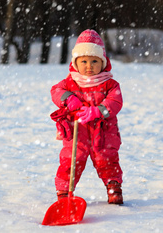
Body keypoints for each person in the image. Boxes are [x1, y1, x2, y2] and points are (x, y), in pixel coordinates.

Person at [50, 29, 124, 204]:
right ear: (75, 63)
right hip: (77, 133)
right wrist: (69, 98)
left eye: (94, 61)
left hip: (103, 133)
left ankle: (113, 187)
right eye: (83, 61)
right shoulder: (70, 82)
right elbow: (55, 91)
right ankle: (64, 192)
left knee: (107, 160)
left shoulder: (109, 84)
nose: (89, 66)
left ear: (103, 63)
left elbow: (115, 101)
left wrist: (98, 111)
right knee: (71, 161)